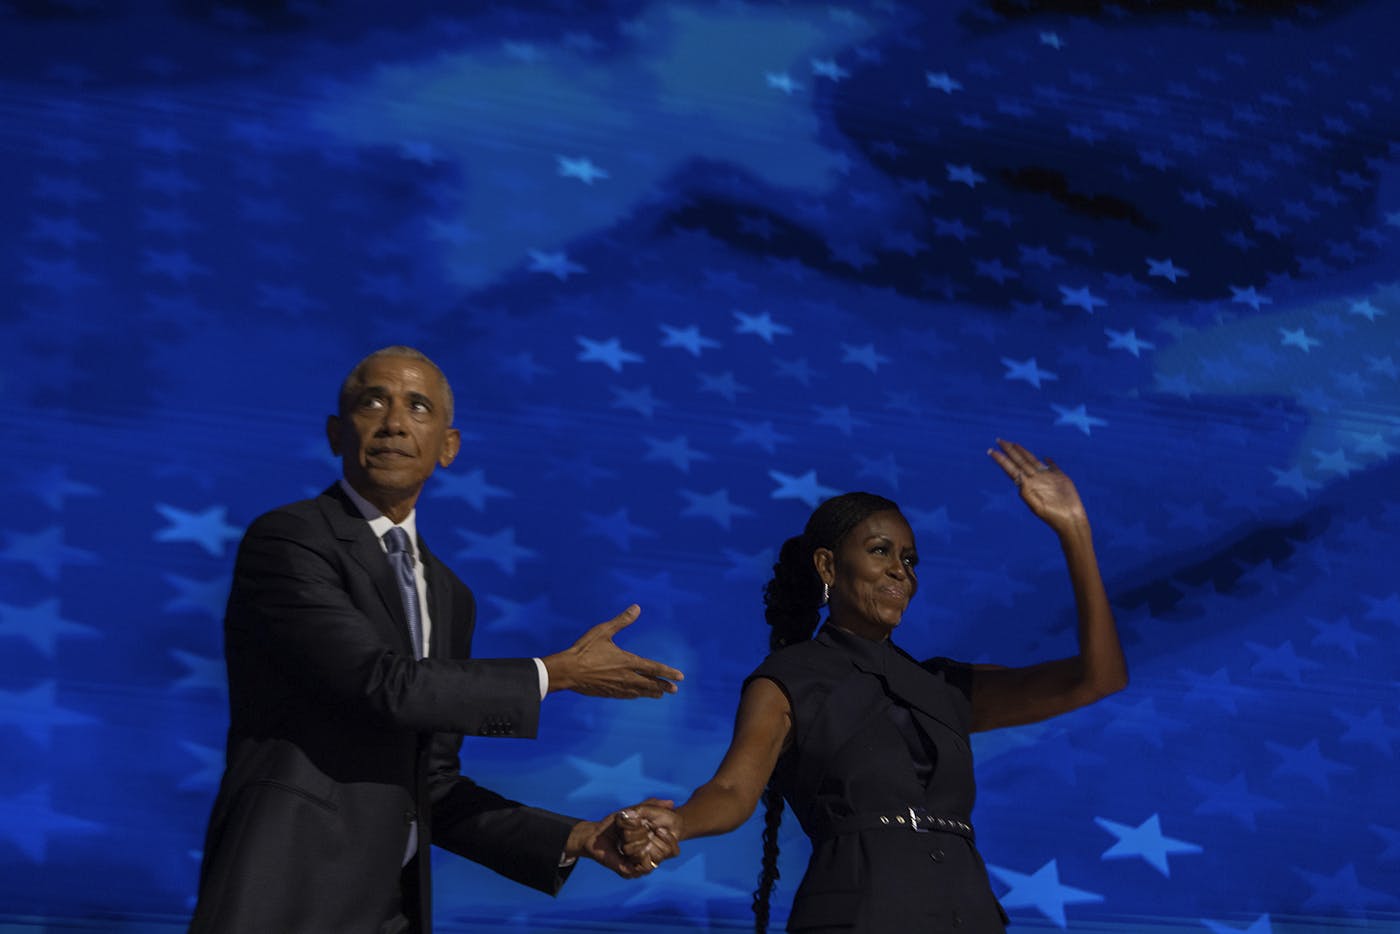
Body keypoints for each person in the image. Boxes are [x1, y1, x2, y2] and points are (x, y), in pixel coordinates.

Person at [189, 346, 684, 934]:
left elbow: (431, 783)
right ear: (335, 433)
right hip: (288, 895)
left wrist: (579, 836)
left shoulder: (450, 594)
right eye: (373, 401)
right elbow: (379, 683)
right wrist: (558, 674)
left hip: (393, 908)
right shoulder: (291, 540)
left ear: (448, 446)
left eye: (417, 406)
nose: (394, 421)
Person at [618, 439, 1127, 932]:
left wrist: (1074, 530)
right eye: (880, 551)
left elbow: (1098, 678)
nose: (899, 572)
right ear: (827, 566)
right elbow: (732, 790)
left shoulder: (944, 687)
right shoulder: (788, 680)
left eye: (909, 559)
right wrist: (680, 822)